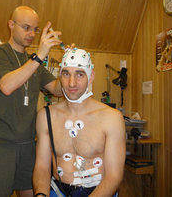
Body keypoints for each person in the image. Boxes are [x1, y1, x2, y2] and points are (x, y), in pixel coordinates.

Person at [0, 6, 63, 197]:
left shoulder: (33, 63)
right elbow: (7, 86)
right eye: (26, 27)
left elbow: (57, 89)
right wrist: (40, 56)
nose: (31, 34)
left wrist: (70, 66)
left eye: (35, 29)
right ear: (11, 25)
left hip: (28, 144)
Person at [33, 48, 126, 197]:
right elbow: (42, 167)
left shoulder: (111, 118)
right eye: (66, 74)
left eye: (79, 74)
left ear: (91, 76)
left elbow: (113, 176)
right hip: (58, 191)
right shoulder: (46, 116)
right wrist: (41, 195)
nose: (71, 83)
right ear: (60, 76)